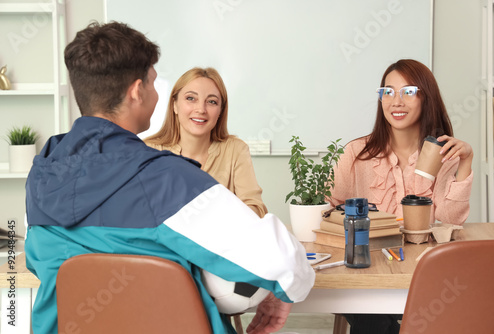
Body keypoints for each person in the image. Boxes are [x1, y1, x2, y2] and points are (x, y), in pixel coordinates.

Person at [24, 21, 315, 334]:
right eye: (152, 83)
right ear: (137, 91)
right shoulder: (168, 179)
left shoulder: (41, 173)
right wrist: (285, 292)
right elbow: (280, 261)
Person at [328, 59, 473, 334]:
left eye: (408, 92)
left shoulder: (444, 154)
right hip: (364, 272)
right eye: (388, 91)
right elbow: (328, 212)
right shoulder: (354, 154)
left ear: (425, 98)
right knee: (372, 316)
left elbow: (451, 221)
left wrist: (465, 162)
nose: (396, 101)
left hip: (425, 274)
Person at [145, 67, 267, 218]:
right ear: (174, 105)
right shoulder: (149, 151)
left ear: (221, 111)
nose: (201, 109)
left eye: (211, 101)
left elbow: (256, 210)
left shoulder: (236, 149)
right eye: (191, 98)